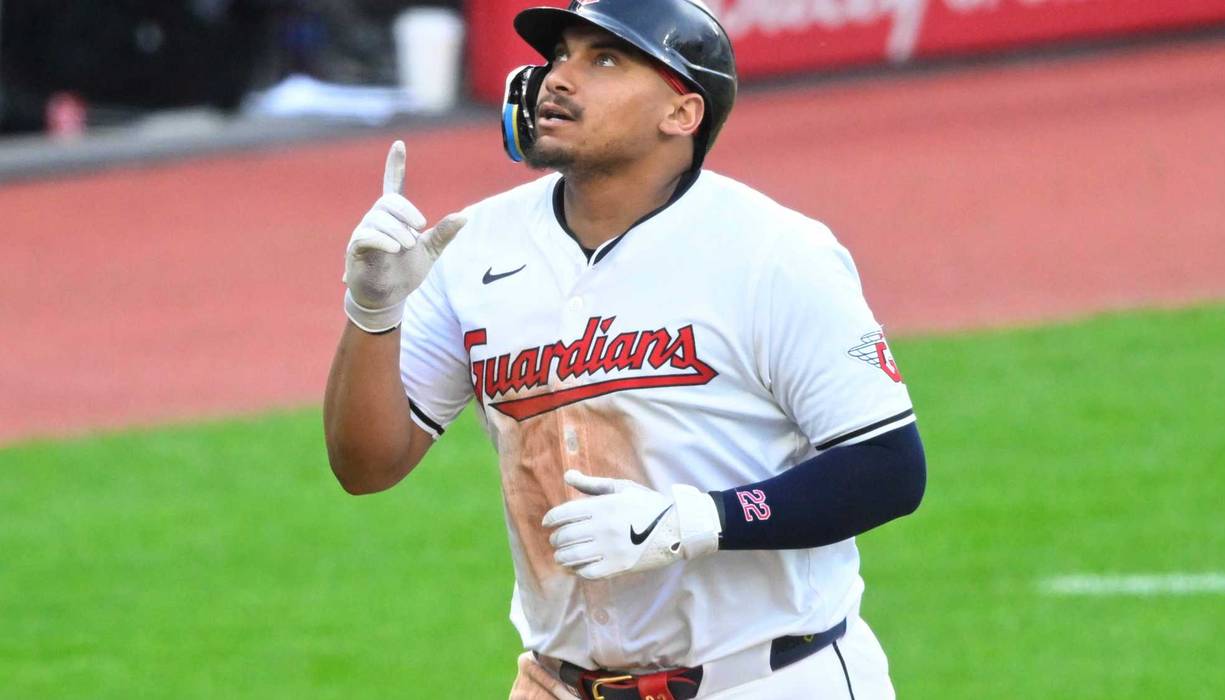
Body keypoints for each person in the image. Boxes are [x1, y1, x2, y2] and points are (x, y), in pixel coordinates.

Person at [323, 1, 926, 697]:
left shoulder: (773, 253)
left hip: (767, 678)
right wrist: (373, 311)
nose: (558, 78)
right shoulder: (475, 245)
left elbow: (886, 467)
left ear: (681, 114)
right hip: (562, 682)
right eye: (559, 57)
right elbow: (365, 466)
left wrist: (695, 521)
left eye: (603, 60)